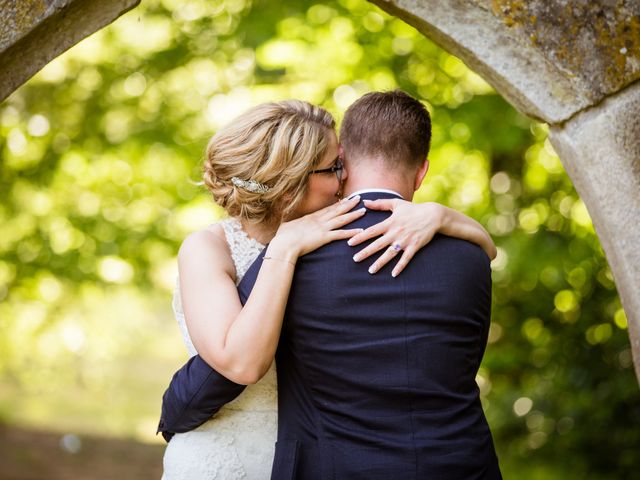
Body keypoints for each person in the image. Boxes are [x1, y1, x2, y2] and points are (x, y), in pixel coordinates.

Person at [160, 94, 498, 479]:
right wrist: (285, 248)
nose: (346, 179)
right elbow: (236, 363)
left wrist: (444, 216)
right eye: (335, 167)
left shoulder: (328, 242)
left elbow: (485, 251)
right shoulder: (214, 248)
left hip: (301, 448)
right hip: (230, 447)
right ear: (290, 188)